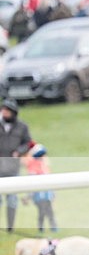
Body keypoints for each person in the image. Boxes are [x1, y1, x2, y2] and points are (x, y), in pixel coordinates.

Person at [0, 99, 32, 231]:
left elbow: (28, 143)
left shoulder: (22, 127)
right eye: (3, 110)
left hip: (13, 168)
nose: (4, 113)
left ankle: (10, 228)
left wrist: (19, 151)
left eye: (7, 111)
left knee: (12, 199)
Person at [22, 143, 58, 233]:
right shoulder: (33, 166)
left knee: (49, 212)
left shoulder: (43, 165)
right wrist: (28, 196)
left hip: (47, 194)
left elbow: (50, 181)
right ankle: (41, 228)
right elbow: (32, 183)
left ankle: (53, 228)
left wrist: (53, 193)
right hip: (39, 195)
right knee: (42, 212)